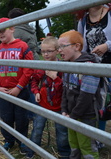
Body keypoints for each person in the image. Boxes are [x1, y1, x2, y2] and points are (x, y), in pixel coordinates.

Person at [0, 17, 34, 154]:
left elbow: (29, 69)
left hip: (19, 91)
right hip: (3, 91)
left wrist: (19, 87)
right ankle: (8, 140)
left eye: (3, 30)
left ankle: (22, 141)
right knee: (6, 117)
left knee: (21, 118)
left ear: (12, 28)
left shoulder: (23, 46)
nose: (0, 34)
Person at [26, 36, 70, 159]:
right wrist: (36, 91)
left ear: (57, 50)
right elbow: (34, 80)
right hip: (43, 104)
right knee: (37, 128)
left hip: (60, 105)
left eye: (49, 51)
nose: (45, 54)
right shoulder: (41, 66)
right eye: (43, 51)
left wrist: (55, 78)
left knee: (62, 131)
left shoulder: (64, 67)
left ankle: (64, 153)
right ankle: (32, 150)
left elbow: (66, 87)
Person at [59, 30, 100, 159]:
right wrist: (64, 109)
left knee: (87, 146)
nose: (59, 50)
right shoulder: (68, 66)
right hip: (71, 114)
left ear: (77, 46)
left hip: (85, 115)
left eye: (63, 46)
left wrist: (74, 115)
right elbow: (65, 89)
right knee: (74, 143)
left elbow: (86, 96)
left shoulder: (89, 66)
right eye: (58, 47)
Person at [77, 4, 111, 134]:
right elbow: (81, 46)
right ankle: (99, 138)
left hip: (109, 66)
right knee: (99, 104)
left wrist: (107, 46)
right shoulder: (83, 20)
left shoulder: (110, 14)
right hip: (94, 68)